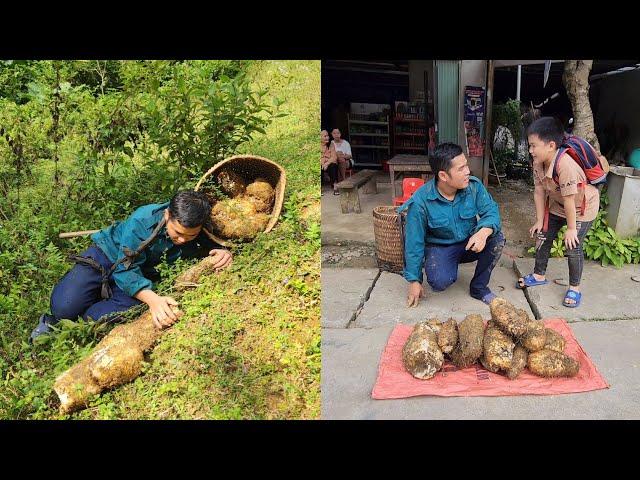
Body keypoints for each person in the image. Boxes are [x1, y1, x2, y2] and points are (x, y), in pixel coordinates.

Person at [30, 190, 233, 342]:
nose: (182, 240)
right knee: (64, 306)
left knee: (94, 321)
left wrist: (223, 250)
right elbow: (124, 268)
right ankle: (52, 321)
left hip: (140, 273)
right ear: (167, 215)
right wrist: (153, 300)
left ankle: (83, 318)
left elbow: (217, 242)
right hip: (106, 257)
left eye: (191, 235)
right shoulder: (142, 220)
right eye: (177, 233)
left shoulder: (200, 226)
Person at [399, 142, 505, 307]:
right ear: (443, 176)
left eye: (466, 166)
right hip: (441, 247)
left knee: (496, 238)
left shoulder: (474, 187)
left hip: (469, 243)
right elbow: (414, 242)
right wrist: (414, 280)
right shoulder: (421, 201)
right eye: (461, 169)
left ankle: (479, 288)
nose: (467, 172)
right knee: (439, 282)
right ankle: (446, 265)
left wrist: (483, 232)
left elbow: (491, 211)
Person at [517, 117, 600, 308]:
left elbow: (570, 200)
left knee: (572, 246)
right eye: (529, 146)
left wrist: (571, 229)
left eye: (533, 146)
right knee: (543, 236)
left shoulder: (566, 165)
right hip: (557, 204)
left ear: (551, 145)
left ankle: (575, 288)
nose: (530, 151)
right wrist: (539, 220)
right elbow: (539, 191)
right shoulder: (538, 162)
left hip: (581, 208)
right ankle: (539, 275)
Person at [321, 129, 339, 195]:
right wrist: (323, 163)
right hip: (322, 163)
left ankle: (335, 186)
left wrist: (327, 163)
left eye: (327, 136)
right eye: (325, 136)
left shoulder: (331, 144)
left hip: (329, 163)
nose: (327, 137)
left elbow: (334, 157)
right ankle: (320, 187)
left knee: (333, 166)